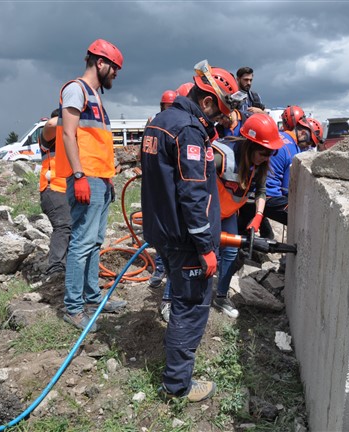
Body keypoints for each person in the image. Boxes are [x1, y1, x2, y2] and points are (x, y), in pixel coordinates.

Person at [141, 63, 241, 402]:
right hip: (185, 239)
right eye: (219, 113)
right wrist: (206, 247)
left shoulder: (160, 122)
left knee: (181, 300)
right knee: (191, 306)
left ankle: (176, 370)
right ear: (208, 102)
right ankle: (177, 385)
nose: (220, 121)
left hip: (163, 232)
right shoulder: (188, 131)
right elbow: (193, 194)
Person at [54, 39, 127, 332]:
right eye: (114, 68)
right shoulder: (77, 90)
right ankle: (73, 308)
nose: (116, 74)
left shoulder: (94, 95)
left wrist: (107, 177)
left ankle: (92, 296)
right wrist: (79, 175)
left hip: (100, 178)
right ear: (100, 62)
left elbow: (96, 142)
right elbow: (68, 135)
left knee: (95, 242)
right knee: (82, 242)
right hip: (86, 178)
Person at [212, 113, 284, 319]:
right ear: (250, 145)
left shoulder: (259, 164)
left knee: (231, 252)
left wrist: (258, 216)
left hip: (227, 213)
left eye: (272, 153)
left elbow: (261, 191)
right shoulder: (221, 157)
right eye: (264, 152)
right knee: (199, 253)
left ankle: (220, 297)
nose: (267, 157)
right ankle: (174, 299)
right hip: (207, 212)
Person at [147, 89, 178, 323]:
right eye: (166, 107)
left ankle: (164, 275)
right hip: (160, 188)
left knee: (169, 242)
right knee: (163, 238)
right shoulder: (155, 124)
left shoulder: (175, 125)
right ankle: (160, 269)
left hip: (167, 188)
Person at [259, 117, 324, 226]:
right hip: (269, 197)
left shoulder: (280, 135)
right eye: (309, 142)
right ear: (303, 133)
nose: (308, 146)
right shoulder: (293, 151)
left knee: (266, 232)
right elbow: (287, 189)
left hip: (257, 191)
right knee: (305, 219)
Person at [38, 108, 71, 280]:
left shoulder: (70, 138)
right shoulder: (49, 136)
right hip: (53, 189)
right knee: (64, 225)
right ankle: (56, 268)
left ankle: (70, 267)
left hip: (68, 189)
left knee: (73, 228)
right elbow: (51, 124)